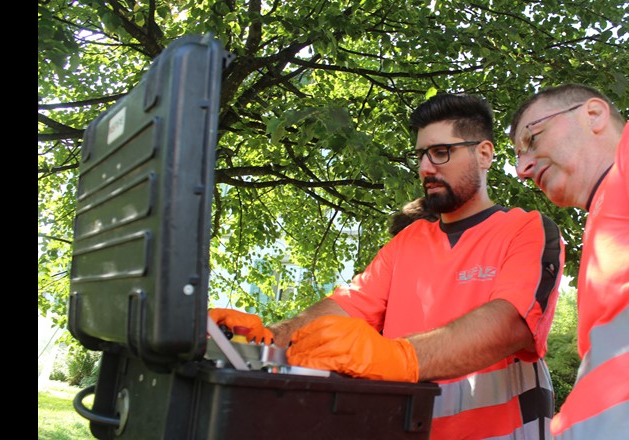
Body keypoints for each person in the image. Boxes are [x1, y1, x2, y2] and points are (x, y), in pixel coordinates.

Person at [211, 93, 565, 439]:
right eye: (421, 155)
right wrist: (268, 339)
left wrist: (398, 357)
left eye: (441, 153)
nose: (426, 168)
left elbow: (510, 324)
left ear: (484, 154)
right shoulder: (406, 243)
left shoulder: (527, 229)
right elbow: (345, 307)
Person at [508, 83, 629, 439]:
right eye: (518, 157)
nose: (523, 168)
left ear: (593, 115)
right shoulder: (604, 226)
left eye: (532, 139)